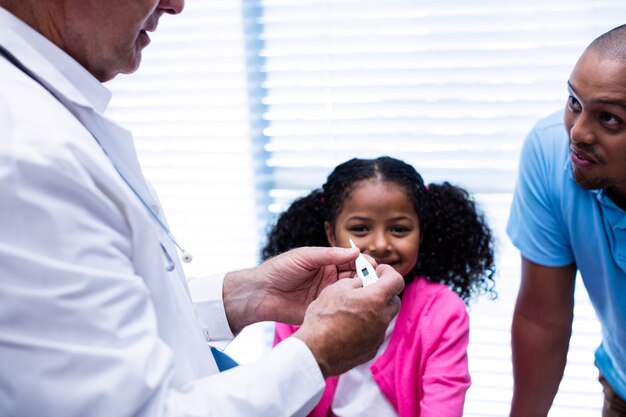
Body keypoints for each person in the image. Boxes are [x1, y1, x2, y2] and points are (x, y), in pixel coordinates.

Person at [0, 1, 406, 416]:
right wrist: (317, 353)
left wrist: (248, 295)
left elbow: (100, 324)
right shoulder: (25, 155)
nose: (176, 5)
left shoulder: (49, 115)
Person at [263, 156, 497, 417]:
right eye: (361, 228)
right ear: (331, 234)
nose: (380, 244)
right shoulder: (302, 304)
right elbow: (280, 399)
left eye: (398, 229)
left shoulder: (443, 311)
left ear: (421, 232)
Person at [507, 24, 626, 417]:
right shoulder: (548, 150)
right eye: (574, 101)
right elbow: (542, 319)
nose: (577, 133)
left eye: (609, 119)